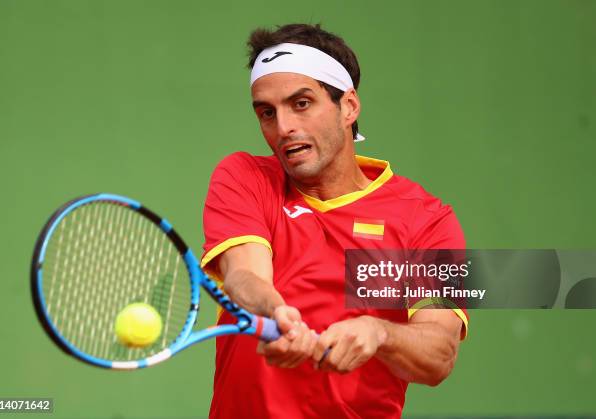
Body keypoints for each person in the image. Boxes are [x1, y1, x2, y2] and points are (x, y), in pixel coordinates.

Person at [201, 23, 468, 419]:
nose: (284, 127)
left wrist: (379, 333)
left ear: (349, 106)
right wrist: (276, 314)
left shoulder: (426, 220)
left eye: (302, 103)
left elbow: (439, 354)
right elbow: (244, 277)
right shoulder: (245, 176)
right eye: (266, 112)